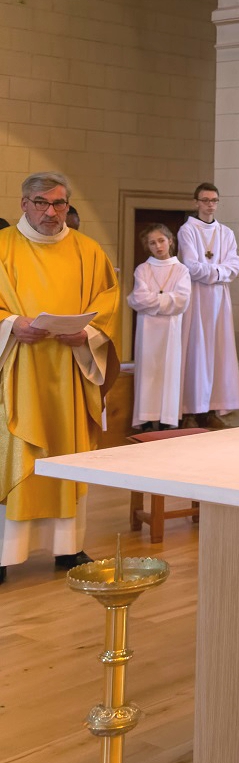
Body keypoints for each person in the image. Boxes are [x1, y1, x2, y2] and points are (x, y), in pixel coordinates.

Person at [0, 172, 121, 584]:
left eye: (59, 204)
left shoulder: (88, 251)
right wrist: (11, 324)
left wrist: (89, 333)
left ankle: (68, 547)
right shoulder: (2, 247)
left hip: (71, 372)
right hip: (18, 371)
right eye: (41, 202)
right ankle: (4, 552)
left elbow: (108, 303)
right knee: (18, 454)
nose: (51, 212)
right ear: (24, 204)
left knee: (66, 456)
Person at [178, 183, 239, 427]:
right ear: (196, 202)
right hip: (196, 299)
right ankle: (189, 410)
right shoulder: (187, 230)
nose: (209, 205)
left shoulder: (226, 233)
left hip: (219, 302)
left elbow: (234, 267)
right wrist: (219, 272)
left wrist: (214, 272)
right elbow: (191, 266)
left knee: (218, 351)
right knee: (195, 350)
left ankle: (212, 408)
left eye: (214, 200)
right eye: (205, 200)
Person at [128, 224, 191, 431]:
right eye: (152, 243)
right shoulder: (143, 269)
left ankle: (166, 420)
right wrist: (166, 301)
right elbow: (139, 298)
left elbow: (181, 301)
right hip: (147, 330)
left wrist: (153, 301)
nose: (158, 246)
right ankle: (145, 420)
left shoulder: (181, 270)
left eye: (161, 241)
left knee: (168, 371)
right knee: (148, 372)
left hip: (171, 330)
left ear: (170, 241)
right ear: (148, 246)